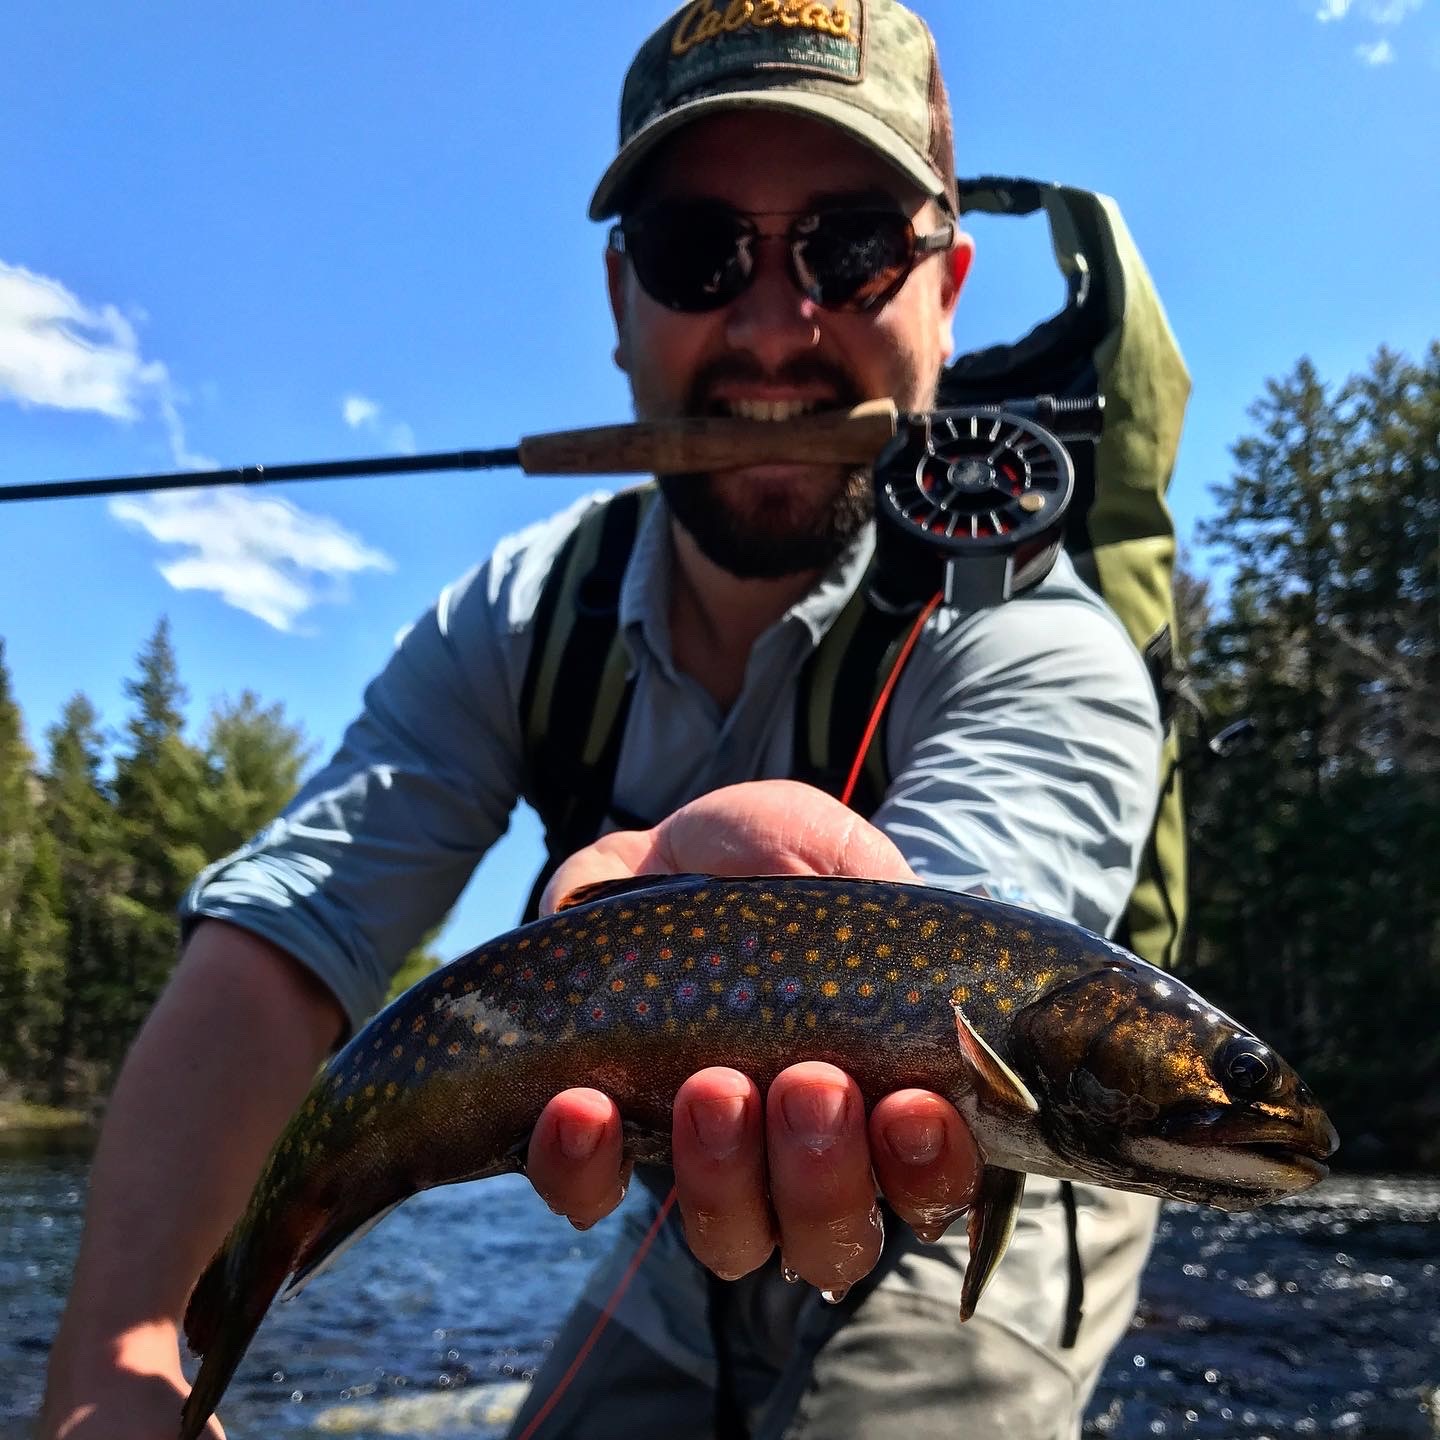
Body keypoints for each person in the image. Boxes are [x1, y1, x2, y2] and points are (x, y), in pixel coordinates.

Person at [38, 3, 1164, 1437]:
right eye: (702, 251)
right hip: (648, 1205)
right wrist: (119, 1357)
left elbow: (984, 964)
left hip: (990, 1193)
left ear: (946, 285)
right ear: (623, 299)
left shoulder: (1040, 640)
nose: (772, 323)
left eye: (850, 247)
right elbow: (286, 943)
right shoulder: (518, 617)